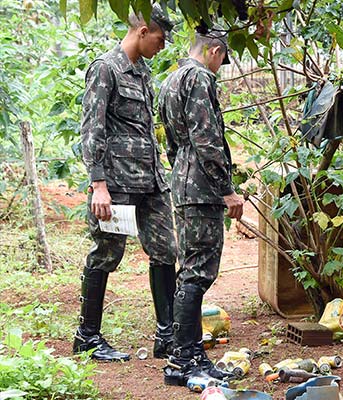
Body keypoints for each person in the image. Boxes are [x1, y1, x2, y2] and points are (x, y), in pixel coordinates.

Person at [74, 4, 177, 361]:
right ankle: (87, 336)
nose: (162, 46)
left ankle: (168, 336)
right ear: (143, 31)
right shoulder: (106, 69)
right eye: (160, 39)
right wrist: (98, 183)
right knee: (107, 253)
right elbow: (92, 128)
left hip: (150, 179)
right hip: (115, 182)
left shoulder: (143, 70)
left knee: (166, 249)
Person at [158, 25, 244, 386]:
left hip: (183, 180)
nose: (220, 65)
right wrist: (226, 190)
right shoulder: (200, 79)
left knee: (191, 268)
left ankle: (191, 354)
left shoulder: (170, 80)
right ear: (214, 51)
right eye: (223, 58)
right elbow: (207, 140)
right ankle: (182, 359)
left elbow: (172, 143)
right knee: (197, 272)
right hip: (202, 187)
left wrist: (184, 172)